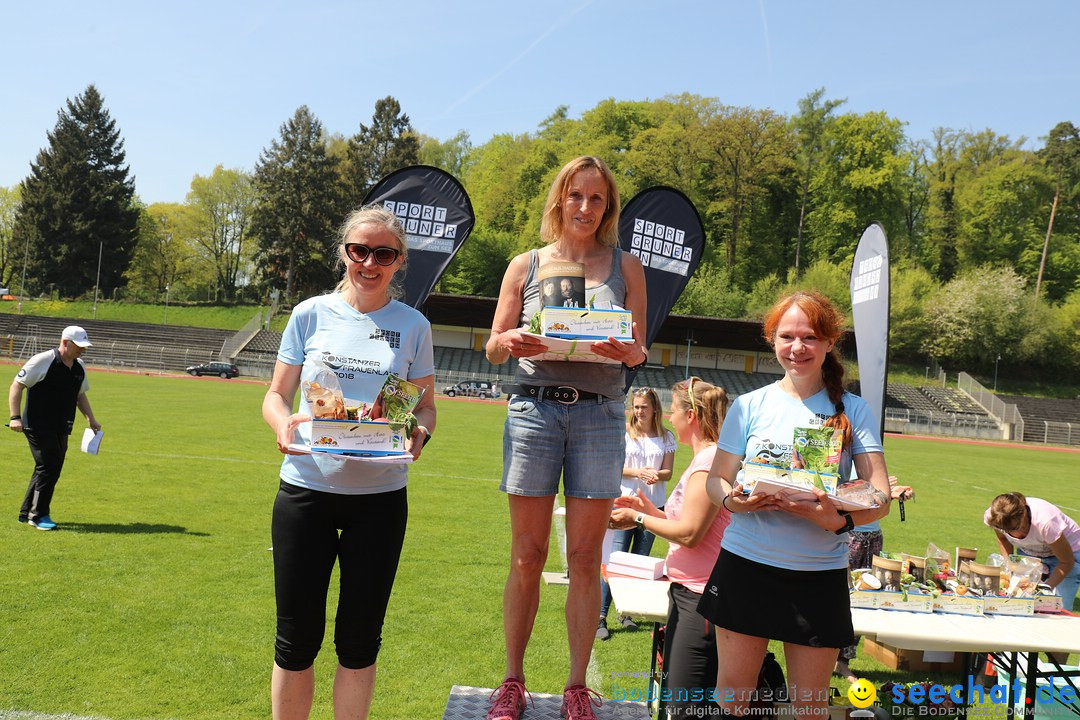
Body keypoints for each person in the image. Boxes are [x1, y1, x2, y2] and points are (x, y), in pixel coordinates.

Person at [484, 155, 647, 720]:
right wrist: (513, 341)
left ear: (609, 206)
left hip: (601, 415)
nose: (585, 207)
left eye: (597, 198)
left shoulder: (627, 267)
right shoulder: (525, 265)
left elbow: (639, 348)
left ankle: (577, 685)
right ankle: (512, 681)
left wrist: (629, 351)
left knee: (584, 557)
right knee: (527, 556)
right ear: (559, 199)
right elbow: (493, 343)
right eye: (576, 195)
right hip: (534, 410)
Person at [262, 205, 436, 720]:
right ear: (344, 253)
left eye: (383, 253)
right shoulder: (309, 313)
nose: (369, 262)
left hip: (379, 500)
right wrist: (282, 425)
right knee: (295, 639)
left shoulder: (414, 325)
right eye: (359, 251)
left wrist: (419, 433)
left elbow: (424, 405)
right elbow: (276, 394)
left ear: (399, 261)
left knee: (359, 642)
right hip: (305, 491)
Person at [701, 290, 891, 720]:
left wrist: (837, 518)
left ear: (829, 342)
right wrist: (735, 501)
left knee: (809, 708)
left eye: (809, 336)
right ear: (772, 341)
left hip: (817, 575)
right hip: (746, 566)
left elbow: (880, 497)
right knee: (733, 699)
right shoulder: (750, 405)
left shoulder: (854, 411)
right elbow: (716, 480)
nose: (797, 347)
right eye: (786, 336)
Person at [609, 377, 730, 720]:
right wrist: (645, 509)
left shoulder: (707, 463)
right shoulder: (705, 459)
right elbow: (686, 523)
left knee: (686, 707)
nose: (669, 418)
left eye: (674, 411)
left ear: (691, 415)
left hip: (702, 596)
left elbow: (691, 533)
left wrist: (638, 518)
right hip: (689, 592)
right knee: (679, 701)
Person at [597, 386, 676, 640]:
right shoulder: (625, 433)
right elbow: (614, 466)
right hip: (624, 503)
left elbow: (668, 472)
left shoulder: (666, 437)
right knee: (616, 560)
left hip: (653, 507)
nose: (639, 411)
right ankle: (600, 617)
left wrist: (656, 474)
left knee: (640, 562)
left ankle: (627, 613)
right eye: (636, 406)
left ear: (655, 409)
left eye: (644, 406)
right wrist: (639, 472)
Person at [9, 325, 102, 530]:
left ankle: (26, 512)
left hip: (62, 425)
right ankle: (38, 515)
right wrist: (15, 417)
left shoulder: (79, 366)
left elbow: (80, 394)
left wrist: (91, 419)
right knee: (49, 466)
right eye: (79, 346)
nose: (82, 350)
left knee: (48, 467)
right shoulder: (43, 360)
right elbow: (17, 385)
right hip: (37, 424)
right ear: (65, 342)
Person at [834, 475, 913, 683]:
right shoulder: (841, 454)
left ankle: (843, 661)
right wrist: (875, 491)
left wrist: (892, 495)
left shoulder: (871, 458)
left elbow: (877, 497)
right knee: (839, 597)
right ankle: (826, 655)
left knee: (865, 598)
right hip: (847, 534)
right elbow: (843, 492)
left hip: (873, 535)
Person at [984, 492, 1080, 611]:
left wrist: (1045, 588)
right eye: (1006, 530)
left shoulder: (1046, 522)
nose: (1015, 535)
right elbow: (1002, 538)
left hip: (1068, 553)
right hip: (1029, 551)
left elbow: (1067, 562)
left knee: (1057, 607)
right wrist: (1009, 565)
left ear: (1023, 512)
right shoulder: (996, 517)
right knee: (1021, 602)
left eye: (1016, 528)